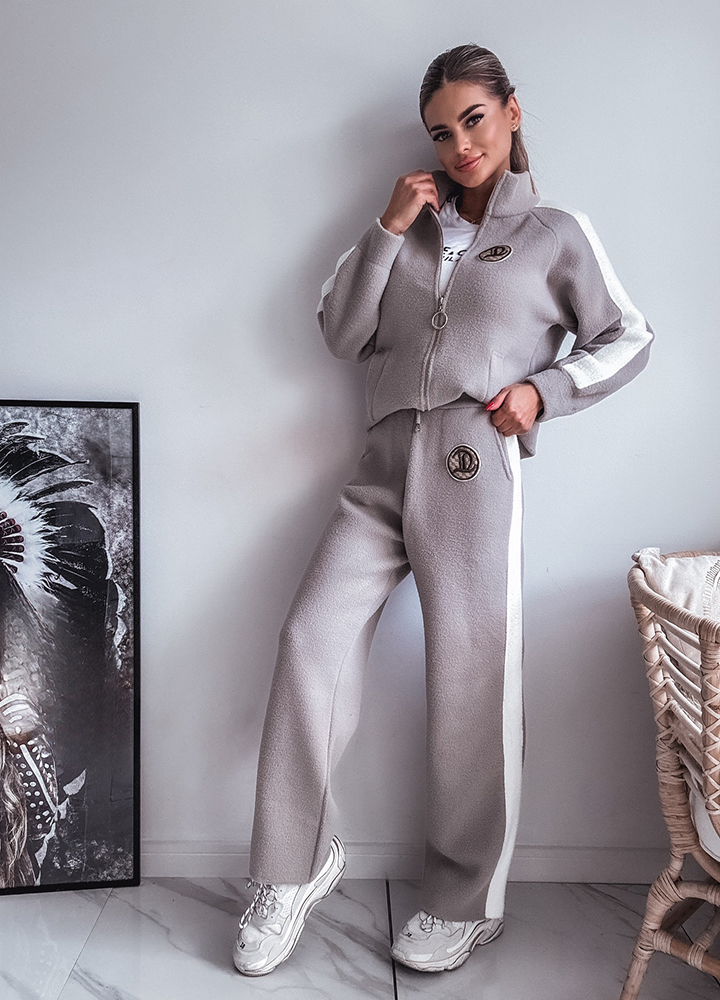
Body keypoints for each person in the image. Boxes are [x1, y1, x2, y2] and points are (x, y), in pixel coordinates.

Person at [233, 43, 654, 977]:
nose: (460, 144)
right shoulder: (407, 227)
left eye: (474, 118)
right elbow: (341, 332)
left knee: (471, 676)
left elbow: (630, 336)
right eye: (440, 131)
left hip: (473, 461)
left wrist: (544, 391)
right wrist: (387, 228)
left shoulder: (556, 232)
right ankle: (292, 867)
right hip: (380, 465)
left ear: (511, 111)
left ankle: (467, 899)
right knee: (309, 639)